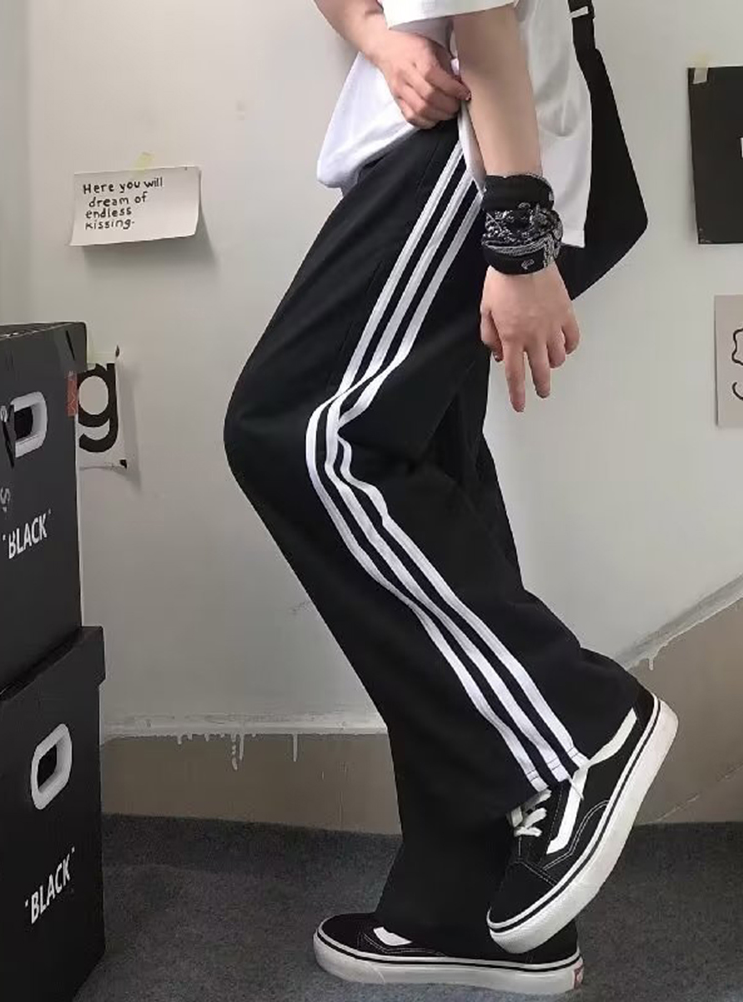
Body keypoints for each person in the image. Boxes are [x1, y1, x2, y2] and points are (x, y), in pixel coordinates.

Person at [224, 0, 677, 993]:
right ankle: (460, 894)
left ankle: (577, 729)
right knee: (423, 467)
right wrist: (379, 39)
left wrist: (519, 238)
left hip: (477, 143)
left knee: (303, 434)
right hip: (452, 127)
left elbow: (489, 17)